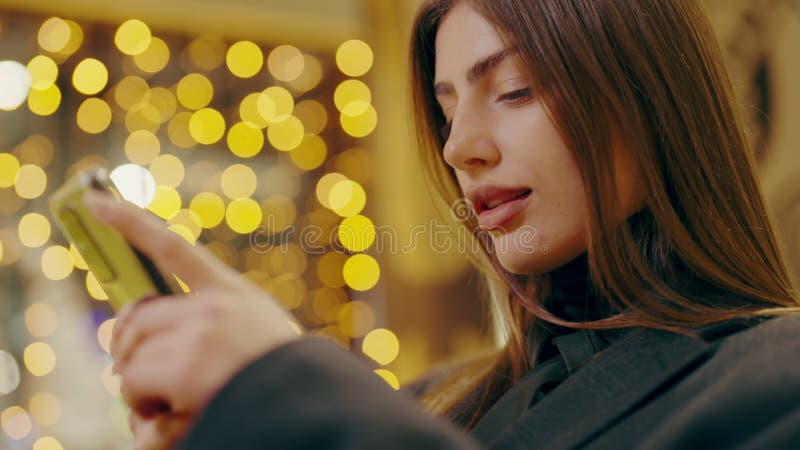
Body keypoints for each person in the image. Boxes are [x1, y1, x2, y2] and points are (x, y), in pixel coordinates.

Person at [84, 0, 800, 448]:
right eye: (448, 108)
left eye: (513, 90)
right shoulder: (434, 401)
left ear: (652, 101)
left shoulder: (776, 380)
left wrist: (289, 391)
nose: (459, 147)